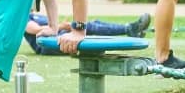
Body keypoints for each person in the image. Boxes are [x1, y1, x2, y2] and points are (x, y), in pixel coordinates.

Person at [24, 12, 152, 55]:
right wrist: (63, 26)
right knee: (87, 26)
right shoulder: (23, 18)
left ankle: (129, 29)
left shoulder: (34, 14)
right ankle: (129, 29)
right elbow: (35, 30)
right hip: (48, 45)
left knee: (91, 24)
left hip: (59, 37)